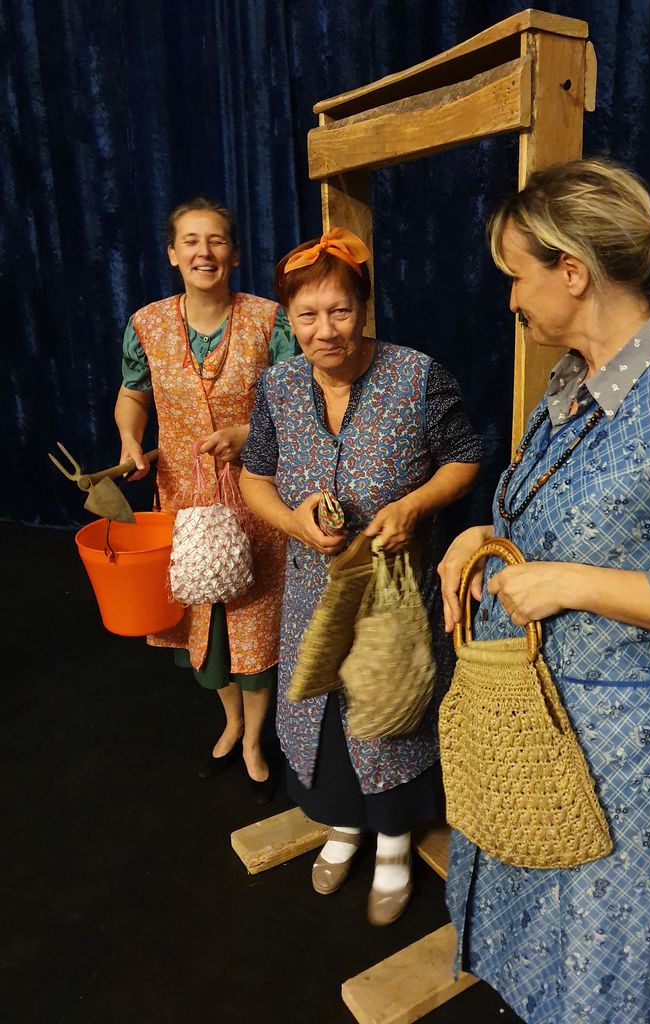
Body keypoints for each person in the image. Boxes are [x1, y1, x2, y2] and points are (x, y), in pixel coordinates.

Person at [438, 158, 650, 1023]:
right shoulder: (573, 382)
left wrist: (573, 584)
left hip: (630, 754)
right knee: (541, 927)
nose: (512, 301)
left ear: (573, 272)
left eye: (518, 277)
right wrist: (482, 537)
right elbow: (558, 513)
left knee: (606, 946)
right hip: (538, 728)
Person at [239, 227, 482, 925]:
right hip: (314, 597)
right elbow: (255, 477)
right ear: (289, 319)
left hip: (394, 597)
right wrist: (292, 522)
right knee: (321, 711)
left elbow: (466, 457)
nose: (325, 330)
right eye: (308, 315)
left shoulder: (418, 375)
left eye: (340, 311)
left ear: (364, 307)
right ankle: (344, 826)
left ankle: (396, 840)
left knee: (389, 711)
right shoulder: (278, 387)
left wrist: (412, 506)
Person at [114, 197, 295, 803]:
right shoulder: (147, 324)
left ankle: (255, 741)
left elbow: (298, 399)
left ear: (234, 254)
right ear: (173, 254)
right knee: (204, 623)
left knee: (255, 619)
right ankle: (231, 721)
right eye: (190, 241)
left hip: (257, 496)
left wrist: (249, 434)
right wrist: (131, 440)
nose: (203, 252)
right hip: (184, 500)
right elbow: (133, 394)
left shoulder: (270, 321)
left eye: (216, 240)